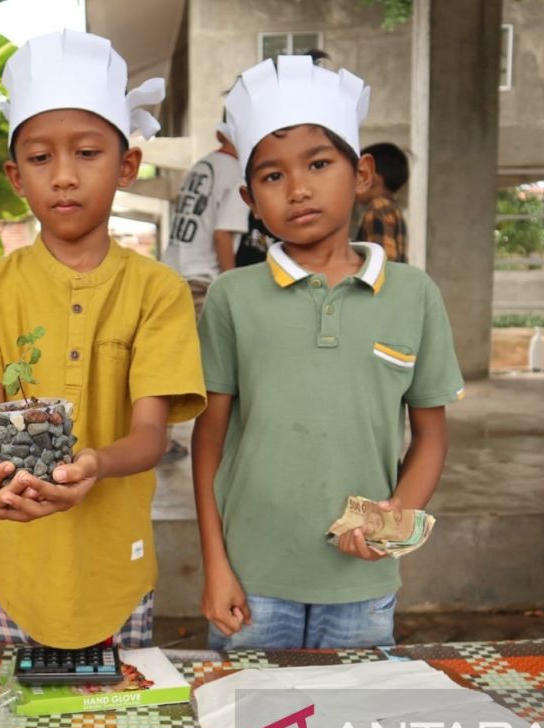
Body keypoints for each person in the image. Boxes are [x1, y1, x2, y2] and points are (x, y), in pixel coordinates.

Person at [0, 30, 206, 650]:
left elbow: (151, 436)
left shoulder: (158, 291)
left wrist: (95, 465)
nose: (64, 177)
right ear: (16, 176)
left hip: (117, 573)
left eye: (86, 153)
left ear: (127, 165)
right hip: (13, 572)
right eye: (40, 158)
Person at [193, 56, 463, 650]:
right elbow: (208, 441)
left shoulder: (414, 295)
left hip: (362, 583)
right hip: (253, 580)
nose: (298, 189)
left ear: (362, 173)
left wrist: (392, 522)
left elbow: (431, 436)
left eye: (318, 164)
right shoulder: (233, 298)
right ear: (248, 197)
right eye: (271, 177)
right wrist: (216, 565)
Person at [161, 124, 248, 315]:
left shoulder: (200, 166)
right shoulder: (237, 176)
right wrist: (232, 292)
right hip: (200, 282)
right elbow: (222, 236)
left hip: (168, 276)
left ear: (219, 135)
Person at [355, 142, 410, 262]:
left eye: (359, 175)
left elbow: (381, 263)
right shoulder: (393, 209)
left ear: (373, 179)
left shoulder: (377, 209)